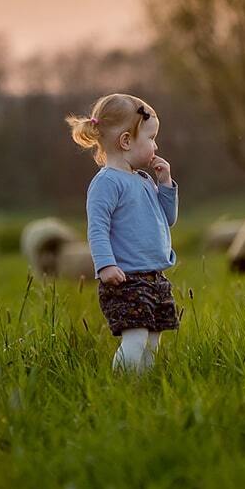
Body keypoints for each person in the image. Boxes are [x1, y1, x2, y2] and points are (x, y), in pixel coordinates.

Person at [66, 93, 179, 372]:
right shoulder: (107, 183)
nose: (155, 145)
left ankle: (142, 385)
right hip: (126, 279)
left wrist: (164, 184)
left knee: (153, 340)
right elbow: (97, 228)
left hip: (155, 276)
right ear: (126, 141)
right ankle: (120, 384)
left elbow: (168, 220)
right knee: (136, 338)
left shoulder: (142, 181)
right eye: (151, 138)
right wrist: (105, 265)